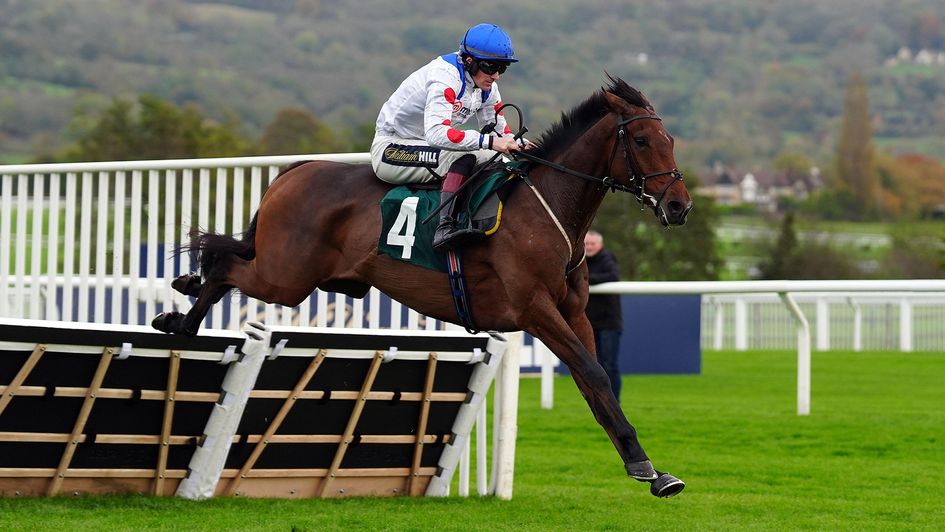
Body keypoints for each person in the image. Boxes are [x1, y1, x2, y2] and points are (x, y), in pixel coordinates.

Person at [371, 23, 532, 251]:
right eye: (491, 67)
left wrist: (521, 146)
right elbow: (437, 133)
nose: (496, 76)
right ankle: (444, 227)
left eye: (502, 68)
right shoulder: (445, 77)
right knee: (474, 154)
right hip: (391, 149)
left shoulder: (486, 85)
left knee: (494, 157)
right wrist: (492, 142)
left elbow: (500, 134)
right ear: (469, 61)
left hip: (426, 147)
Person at [584, 230, 624, 401]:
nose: (589, 247)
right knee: (595, 365)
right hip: (590, 322)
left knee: (609, 364)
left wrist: (585, 278)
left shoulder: (608, 258)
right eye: (586, 244)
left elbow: (613, 275)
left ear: (600, 245)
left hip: (609, 322)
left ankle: (614, 401)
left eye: (592, 244)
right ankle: (600, 400)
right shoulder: (579, 259)